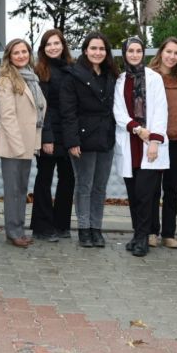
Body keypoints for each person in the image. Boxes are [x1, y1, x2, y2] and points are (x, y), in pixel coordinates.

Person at [60, 32, 117, 248]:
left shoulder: (111, 74)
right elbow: (68, 112)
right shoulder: (73, 76)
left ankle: (96, 228)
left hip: (105, 137)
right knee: (84, 184)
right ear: (85, 50)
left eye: (102, 49)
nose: (97, 52)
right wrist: (72, 141)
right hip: (83, 138)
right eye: (93, 48)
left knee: (100, 186)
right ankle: (84, 228)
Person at [114, 36, 169, 257]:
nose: (134, 54)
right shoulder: (120, 80)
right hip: (131, 141)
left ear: (143, 53)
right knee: (134, 195)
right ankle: (137, 234)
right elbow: (118, 112)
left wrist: (154, 140)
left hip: (150, 146)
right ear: (125, 53)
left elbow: (161, 111)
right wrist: (137, 128)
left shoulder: (154, 78)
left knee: (146, 195)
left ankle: (143, 238)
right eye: (130, 51)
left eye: (138, 50)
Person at [0, 39, 46, 248]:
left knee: (22, 189)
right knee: (13, 190)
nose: (21, 55)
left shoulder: (32, 78)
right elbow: (7, 116)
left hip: (28, 142)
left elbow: (38, 110)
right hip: (13, 145)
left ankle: (19, 229)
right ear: (9, 56)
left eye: (24, 51)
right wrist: (18, 146)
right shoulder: (6, 79)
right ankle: (13, 231)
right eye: (16, 53)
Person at [30, 29, 74, 241]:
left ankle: (62, 224)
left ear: (63, 46)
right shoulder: (40, 72)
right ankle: (42, 227)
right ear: (43, 49)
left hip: (68, 133)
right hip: (47, 132)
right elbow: (41, 108)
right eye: (49, 44)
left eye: (57, 43)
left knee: (68, 179)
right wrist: (46, 137)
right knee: (44, 179)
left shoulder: (72, 69)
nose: (53, 47)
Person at [147, 37, 177, 248]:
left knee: (171, 189)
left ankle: (169, 233)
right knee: (153, 188)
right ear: (161, 52)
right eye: (169, 52)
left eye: (176, 53)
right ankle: (151, 231)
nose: (172, 57)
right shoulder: (149, 76)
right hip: (156, 141)